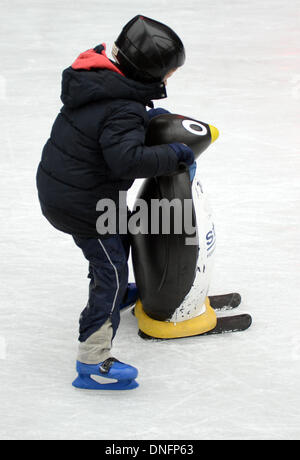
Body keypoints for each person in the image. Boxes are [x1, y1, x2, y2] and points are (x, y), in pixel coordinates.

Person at [36, 15, 195, 390]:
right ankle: (92, 361)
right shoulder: (123, 107)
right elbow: (126, 159)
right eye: (169, 73)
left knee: (120, 237)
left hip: (69, 189)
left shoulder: (102, 84)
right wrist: (176, 155)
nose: (169, 79)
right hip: (82, 204)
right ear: (151, 73)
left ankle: (120, 292)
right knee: (109, 269)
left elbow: (107, 125)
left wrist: (148, 119)